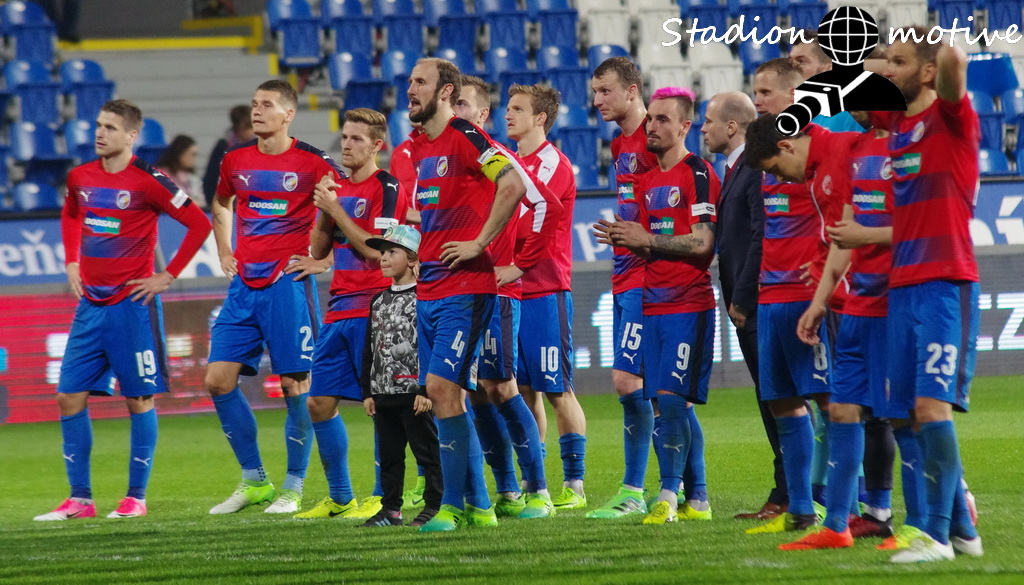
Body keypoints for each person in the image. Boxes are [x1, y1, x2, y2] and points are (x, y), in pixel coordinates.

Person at [35, 99, 212, 521]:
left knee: (139, 399)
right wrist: (72, 261)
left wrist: (167, 275)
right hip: (90, 306)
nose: (100, 133)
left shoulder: (150, 181)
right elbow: (71, 213)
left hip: (131, 306)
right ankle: (80, 500)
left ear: (132, 135)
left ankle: (135, 497)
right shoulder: (80, 176)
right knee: (68, 396)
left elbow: (200, 224)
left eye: (110, 127)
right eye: (98, 125)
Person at [205, 80, 344, 515]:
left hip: (287, 284)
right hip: (244, 285)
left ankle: (293, 487)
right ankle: (254, 480)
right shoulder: (235, 159)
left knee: (294, 384)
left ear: (289, 115)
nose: (257, 110)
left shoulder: (314, 162)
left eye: (267, 104)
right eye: (254, 103)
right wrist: (224, 250)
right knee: (217, 380)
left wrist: (324, 260)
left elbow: (348, 208)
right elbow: (220, 202)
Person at [405, 57, 532, 532]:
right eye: (409, 81)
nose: (410, 89)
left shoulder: (467, 136)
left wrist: (479, 243)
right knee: (445, 397)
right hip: (429, 288)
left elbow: (513, 183)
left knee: (442, 391)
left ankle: (453, 506)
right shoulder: (421, 146)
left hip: (467, 287)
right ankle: (479, 506)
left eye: (420, 82)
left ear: (445, 91)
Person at [870, 31, 983, 563]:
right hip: (902, 287)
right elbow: (858, 81)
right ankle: (962, 531)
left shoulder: (952, 118)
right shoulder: (895, 123)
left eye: (899, 62)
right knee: (906, 414)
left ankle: (936, 537)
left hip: (945, 284)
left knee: (932, 406)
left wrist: (940, 46)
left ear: (927, 71)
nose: (888, 70)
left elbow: (955, 61)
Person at [594, 87, 720, 524]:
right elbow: (650, 247)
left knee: (671, 400)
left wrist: (646, 238)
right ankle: (697, 499)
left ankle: (667, 494)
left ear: (685, 126)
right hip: (652, 302)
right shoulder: (646, 183)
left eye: (663, 119)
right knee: (665, 402)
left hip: (688, 303)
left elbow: (703, 244)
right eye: (651, 119)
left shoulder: (699, 172)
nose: (652, 126)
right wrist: (624, 238)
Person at [772, 113, 895, 551]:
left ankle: (949, 516)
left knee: (908, 414)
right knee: (843, 410)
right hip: (856, 300)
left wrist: (860, 240)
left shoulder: (865, 149)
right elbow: (845, 237)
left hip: (892, 299)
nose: (779, 179)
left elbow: (925, 222)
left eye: (774, 168)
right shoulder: (850, 153)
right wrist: (820, 300)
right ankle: (839, 525)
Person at [292, 108, 410, 521]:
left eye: (356, 139)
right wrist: (324, 207)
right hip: (340, 307)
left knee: (384, 406)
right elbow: (319, 250)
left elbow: (379, 251)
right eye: (344, 137)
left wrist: (337, 209)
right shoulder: (336, 188)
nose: (346, 145)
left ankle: (382, 496)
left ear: (377, 145)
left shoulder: (387, 186)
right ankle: (341, 498)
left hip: (376, 308)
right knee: (318, 402)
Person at [454, 75, 563, 518]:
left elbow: (548, 205)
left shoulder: (495, 156)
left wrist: (520, 264)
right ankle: (507, 491)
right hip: (455, 291)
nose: (456, 112)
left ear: (479, 113)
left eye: (463, 104)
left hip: (497, 291)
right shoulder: (438, 156)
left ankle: (540, 491)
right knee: (476, 392)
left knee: (501, 387)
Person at [742, 58, 835, 535]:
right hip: (771, 295)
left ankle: (848, 507)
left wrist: (822, 271)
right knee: (781, 402)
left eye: (765, 92)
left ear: (794, 96)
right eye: (754, 91)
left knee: (831, 403)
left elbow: (841, 216)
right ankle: (800, 509)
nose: (757, 100)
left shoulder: (822, 146)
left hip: (808, 295)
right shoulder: (765, 157)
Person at [700, 92, 783, 521]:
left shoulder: (753, 168)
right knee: (771, 397)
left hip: (756, 304)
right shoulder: (736, 169)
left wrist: (744, 298)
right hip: (749, 303)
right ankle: (788, 492)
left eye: (709, 121)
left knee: (778, 399)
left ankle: (791, 493)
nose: (703, 129)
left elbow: (759, 236)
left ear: (732, 127)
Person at [506, 83, 588, 513]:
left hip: (544, 287)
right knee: (524, 392)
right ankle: (532, 481)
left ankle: (574, 483)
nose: (508, 114)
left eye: (518, 109)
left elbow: (530, 219)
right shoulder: (511, 161)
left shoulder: (553, 163)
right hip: (513, 290)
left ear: (540, 118)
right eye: (508, 108)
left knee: (558, 390)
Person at [585, 57, 659, 519]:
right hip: (624, 269)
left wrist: (644, 239)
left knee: (629, 381)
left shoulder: (656, 135)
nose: (597, 101)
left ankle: (633, 490)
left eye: (605, 91)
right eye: (595, 92)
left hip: (650, 276)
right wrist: (620, 233)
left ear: (632, 90)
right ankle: (691, 491)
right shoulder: (619, 143)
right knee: (662, 392)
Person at [359, 224, 444, 528]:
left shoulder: (425, 297)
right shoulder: (378, 300)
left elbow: (431, 343)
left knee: (427, 452)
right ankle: (391, 510)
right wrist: (368, 391)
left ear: (412, 259)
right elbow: (370, 347)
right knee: (390, 456)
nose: (383, 258)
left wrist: (426, 389)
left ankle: (435, 505)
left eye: (391, 252)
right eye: (382, 253)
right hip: (383, 392)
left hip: (414, 392)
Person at [788, 30, 864, 134]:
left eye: (801, 61)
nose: (791, 67)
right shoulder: (782, 110)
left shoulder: (851, 117)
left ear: (828, 69)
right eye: (790, 62)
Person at [203, 105, 255, 208]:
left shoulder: (258, 146)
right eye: (248, 128)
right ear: (239, 127)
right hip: (227, 204)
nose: (252, 132)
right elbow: (210, 179)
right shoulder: (223, 148)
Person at [156, 135, 203, 207]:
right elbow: (170, 199)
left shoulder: (193, 178)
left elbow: (201, 202)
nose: (194, 159)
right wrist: (191, 203)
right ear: (181, 153)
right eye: (192, 154)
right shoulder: (161, 175)